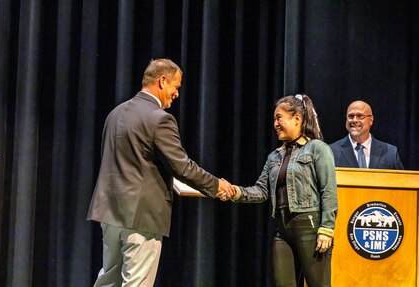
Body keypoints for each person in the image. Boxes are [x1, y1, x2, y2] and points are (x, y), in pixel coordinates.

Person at [87, 58, 235, 286]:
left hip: (109, 212)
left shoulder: (115, 113)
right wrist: (217, 185)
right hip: (142, 216)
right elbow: (182, 166)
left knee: (108, 281)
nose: (176, 94)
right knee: (136, 283)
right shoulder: (160, 119)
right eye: (176, 87)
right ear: (162, 81)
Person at [220, 94, 338, 287]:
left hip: (310, 226)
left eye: (279, 117)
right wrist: (235, 192)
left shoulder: (317, 149)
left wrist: (326, 229)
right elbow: (261, 190)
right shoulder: (274, 156)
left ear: (297, 119)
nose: (275, 123)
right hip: (282, 229)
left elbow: (329, 190)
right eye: (275, 118)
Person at [329, 100, 404, 169]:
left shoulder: (390, 153)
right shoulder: (331, 151)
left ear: (371, 120)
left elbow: (401, 181)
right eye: (351, 116)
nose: (354, 120)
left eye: (360, 116)